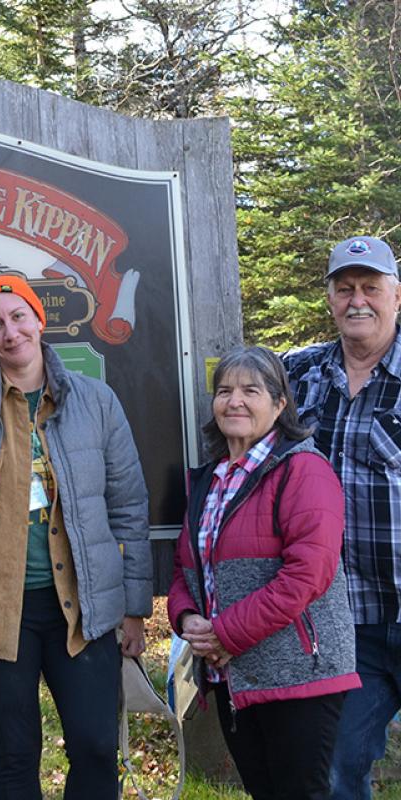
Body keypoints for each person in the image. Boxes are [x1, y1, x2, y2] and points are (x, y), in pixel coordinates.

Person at [0, 274, 150, 799]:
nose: (9, 332)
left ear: (40, 320)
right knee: (16, 754)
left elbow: (129, 507)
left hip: (81, 613)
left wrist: (134, 608)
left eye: (18, 317)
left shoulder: (97, 402)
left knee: (92, 746)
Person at [169, 345, 360, 799]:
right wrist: (188, 618)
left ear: (279, 404)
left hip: (300, 675)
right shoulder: (211, 478)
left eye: (251, 390)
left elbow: (307, 575)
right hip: (235, 678)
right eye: (225, 391)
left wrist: (223, 635)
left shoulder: (303, 470)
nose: (234, 401)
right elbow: (184, 568)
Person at [284, 235, 401, 799]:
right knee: (335, 771)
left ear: (395, 297)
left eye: (371, 288)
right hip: (343, 619)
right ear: (329, 298)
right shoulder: (294, 375)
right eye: (345, 288)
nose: (359, 300)